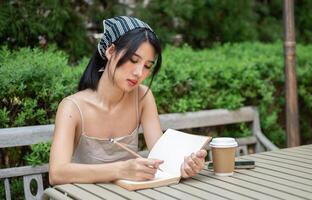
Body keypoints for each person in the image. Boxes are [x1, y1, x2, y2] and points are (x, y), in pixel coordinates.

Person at [49, 16, 207, 185]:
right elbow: (57, 173)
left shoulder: (142, 97)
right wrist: (121, 170)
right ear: (110, 51)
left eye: (147, 66)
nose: (139, 73)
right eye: (133, 60)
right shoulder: (72, 108)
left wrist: (184, 166)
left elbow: (162, 157)